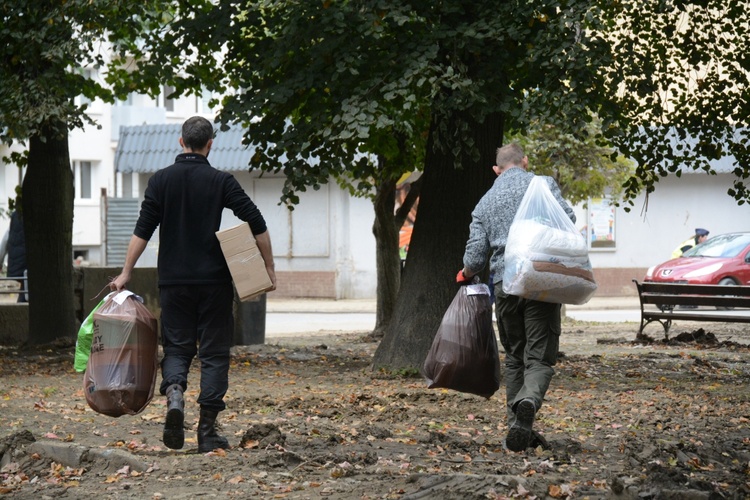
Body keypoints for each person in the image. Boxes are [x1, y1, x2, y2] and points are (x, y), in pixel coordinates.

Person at [110, 116, 277, 453]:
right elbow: (256, 221)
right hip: (214, 282)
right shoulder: (221, 181)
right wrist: (269, 267)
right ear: (210, 144)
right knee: (214, 355)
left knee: (177, 349)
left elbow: (143, 230)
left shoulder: (160, 181)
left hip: (173, 283)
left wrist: (126, 272)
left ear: (180, 141)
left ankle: (174, 395)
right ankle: (207, 432)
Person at [457, 143, 575, 452]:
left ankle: (515, 427)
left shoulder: (485, 201)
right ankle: (528, 402)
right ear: (524, 161)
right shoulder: (542, 184)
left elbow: (475, 255)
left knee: (515, 356)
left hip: (505, 282)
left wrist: (466, 273)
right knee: (540, 357)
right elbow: (568, 219)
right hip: (540, 279)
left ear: (496, 170)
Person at [5, 208, 28, 303]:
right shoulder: (40, 213)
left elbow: (6, 239)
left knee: (25, 290)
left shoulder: (16, 215)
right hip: (28, 263)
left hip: (18, 265)